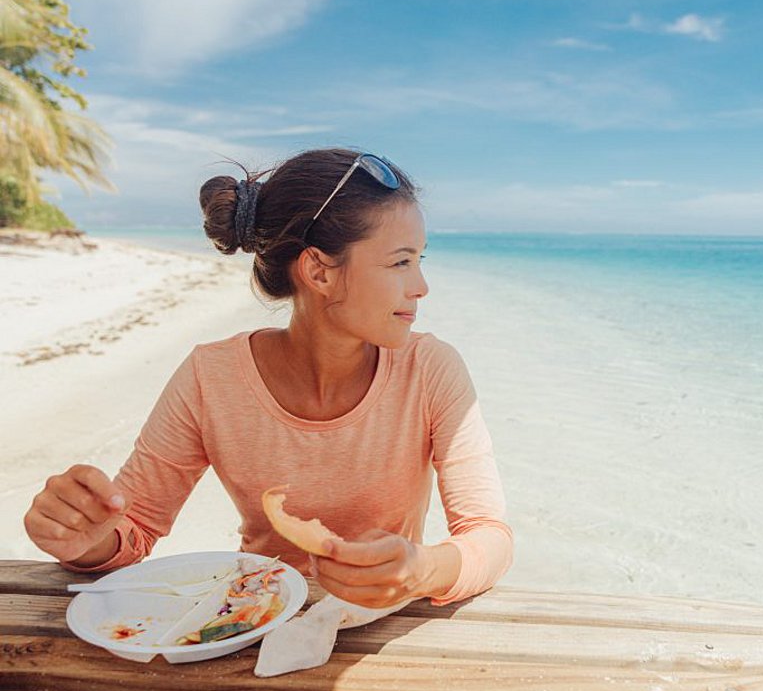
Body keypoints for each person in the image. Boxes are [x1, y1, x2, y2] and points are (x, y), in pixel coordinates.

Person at [23, 148, 513, 608]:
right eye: (401, 262)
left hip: (381, 625)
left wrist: (422, 569)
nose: (421, 286)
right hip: (245, 624)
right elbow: (134, 528)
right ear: (319, 272)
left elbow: (489, 535)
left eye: (419, 260)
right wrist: (84, 541)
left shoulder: (430, 370)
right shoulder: (210, 378)